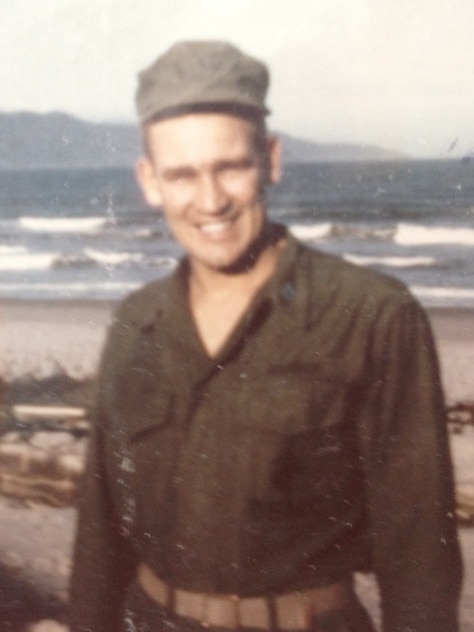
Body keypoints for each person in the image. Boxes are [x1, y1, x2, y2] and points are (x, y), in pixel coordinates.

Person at [70, 41, 462, 632]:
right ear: (150, 181)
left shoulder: (371, 316)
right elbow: (100, 536)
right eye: (182, 174)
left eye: (231, 166)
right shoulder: (135, 324)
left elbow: (419, 558)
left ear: (270, 160)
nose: (210, 201)